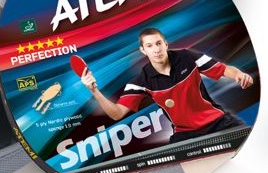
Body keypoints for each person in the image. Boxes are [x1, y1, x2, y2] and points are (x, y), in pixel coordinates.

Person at [80, 28, 254, 143]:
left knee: (249, 143)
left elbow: (223, 69)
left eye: (158, 43)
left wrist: (238, 74)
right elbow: (117, 113)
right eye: (149, 46)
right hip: (185, 134)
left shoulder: (188, 57)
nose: (156, 49)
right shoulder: (141, 82)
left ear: (165, 44)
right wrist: (94, 90)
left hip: (217, 121)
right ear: (143, 50)